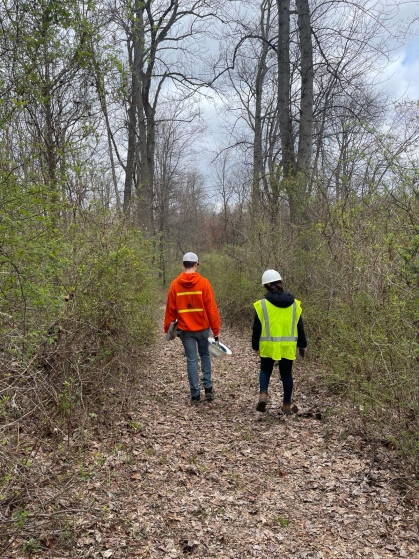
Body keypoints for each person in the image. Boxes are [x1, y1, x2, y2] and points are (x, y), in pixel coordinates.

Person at [164, 252, 221, 405]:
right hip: (203, 329)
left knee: (191, 360)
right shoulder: (204, 283)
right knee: (205, 355)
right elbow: (211, 309)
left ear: (183, 265)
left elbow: (170, 309)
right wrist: (216, 330)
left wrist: (167, 330)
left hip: (185, 330)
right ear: (196, 264)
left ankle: (195, 394)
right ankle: (208, 389)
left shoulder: (175, 285)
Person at [252, 269, 307, 415]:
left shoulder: (262, 304)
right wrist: (303, 345)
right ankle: (287, 406)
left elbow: (256, 328)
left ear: (266, 286)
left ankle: (263, 395)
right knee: (286, 374)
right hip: (287, 346)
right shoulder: (295, 304)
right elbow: (299, 326)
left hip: (268, 346)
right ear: (280, 283)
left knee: (265, 370)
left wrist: (255, 345)